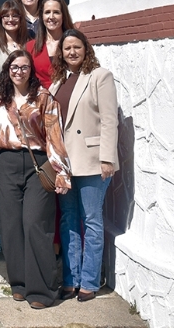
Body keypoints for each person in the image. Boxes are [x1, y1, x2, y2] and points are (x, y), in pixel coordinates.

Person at [0, 50, 70, 309]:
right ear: (8, 69)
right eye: (14, 67)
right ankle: (19, 284)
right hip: (6, 161)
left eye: (24, 67)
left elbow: (54, 134)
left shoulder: (44, 97)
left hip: (38, 163)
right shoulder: (1, 97)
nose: (19, 71)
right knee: (11, 225)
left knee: (36, 223)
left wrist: (61, 172)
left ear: (31, 70)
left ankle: (42, 290)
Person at [50, 29, 118, 303]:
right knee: (68, 221)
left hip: (91, 161)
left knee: (91, 220)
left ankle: (89, 281)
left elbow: (110, 119)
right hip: (65, 163)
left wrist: (107, 158)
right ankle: (70, 279)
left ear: (85, 48)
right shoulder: (58, 81)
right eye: (67, 49)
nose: (72, 52)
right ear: (62, 53)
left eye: (76, 47)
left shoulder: (100, 76)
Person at [25, 0, 73, 88]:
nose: (51, 16)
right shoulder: (30, 47)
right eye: (47, 12)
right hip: (42, 99)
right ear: (42, 16)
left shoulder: (75, 43)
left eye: (56, 12)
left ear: (63, 15)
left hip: (71, 97)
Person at [0, 0, 32, 76]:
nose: (10, 19)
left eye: (15, 16)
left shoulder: (30, 44)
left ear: (21, 19)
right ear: (1, 20)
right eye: (6, 16)